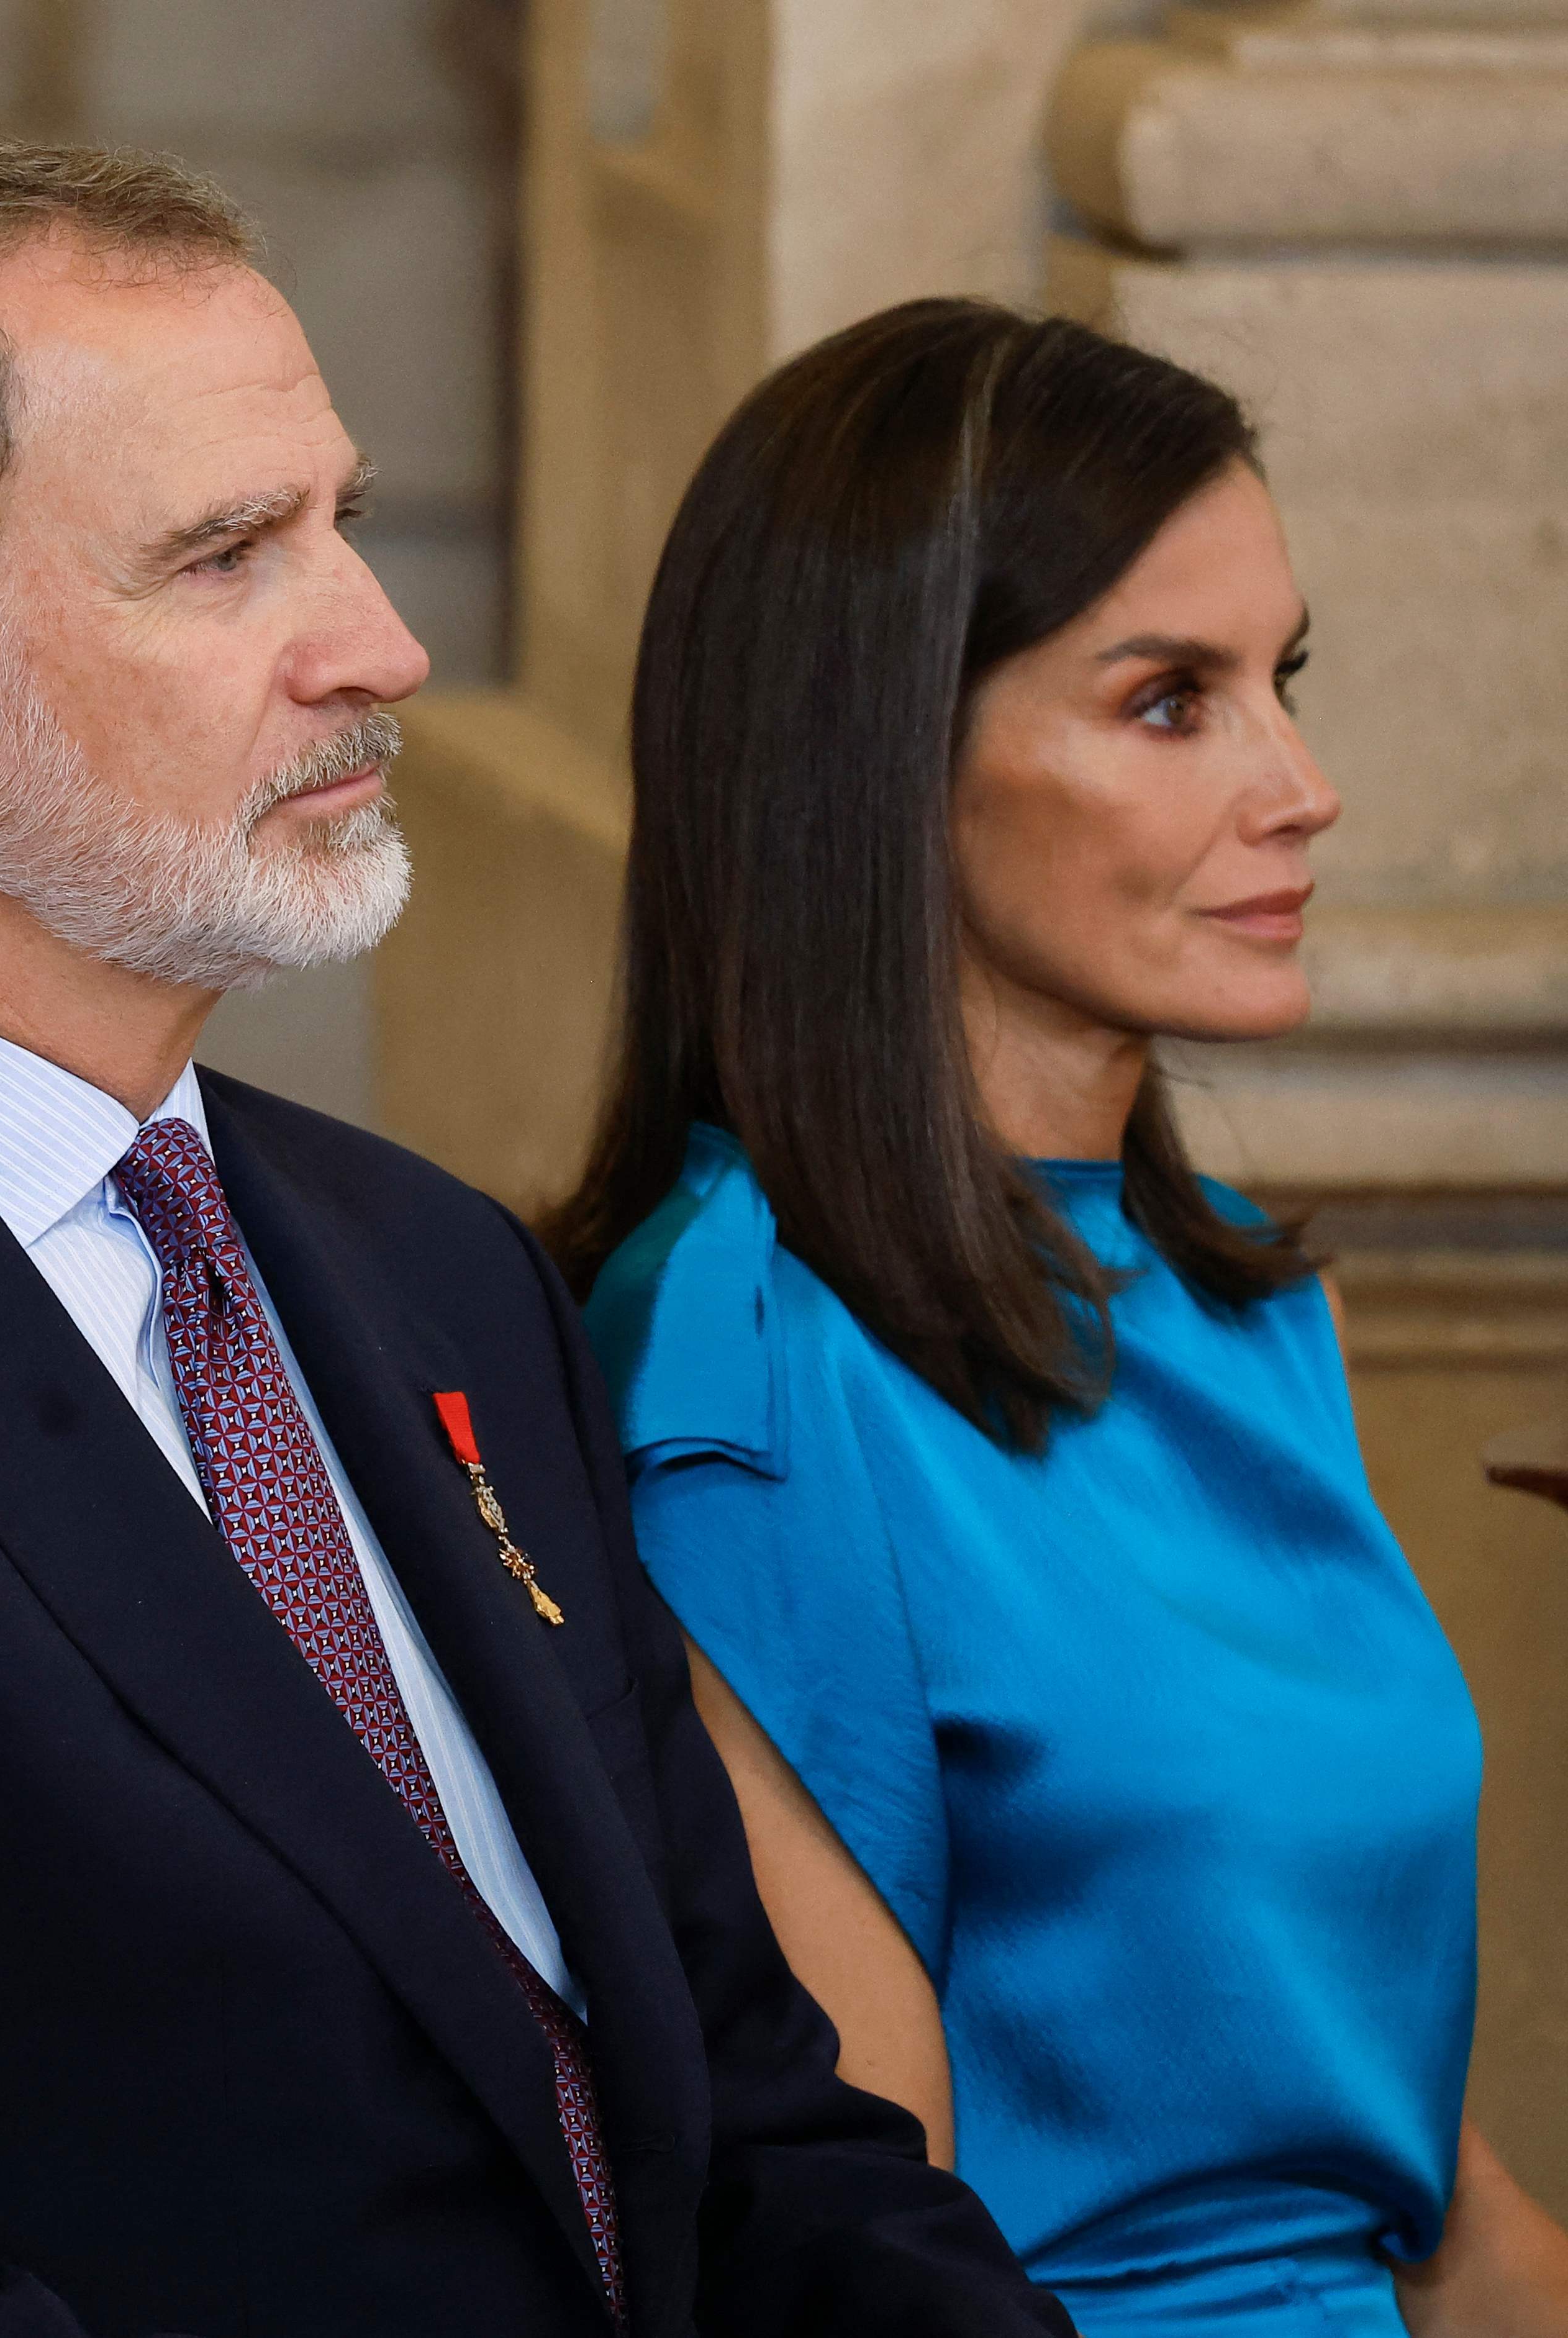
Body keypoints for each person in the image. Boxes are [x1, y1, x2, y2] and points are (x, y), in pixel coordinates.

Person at [0, 135, 1070, 2338]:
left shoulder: (435, 1265)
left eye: (341, 518)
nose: (381, 639)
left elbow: (747, 2122)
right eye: (229, 555)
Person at [550, 300, 1568, 2337]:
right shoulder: (743, 1380)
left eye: (1281, 680)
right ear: (880, 760)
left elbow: (1439, 2205)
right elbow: (851, 2249)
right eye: (1171, 702)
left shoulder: (1230, 1297)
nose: (1307, 787)